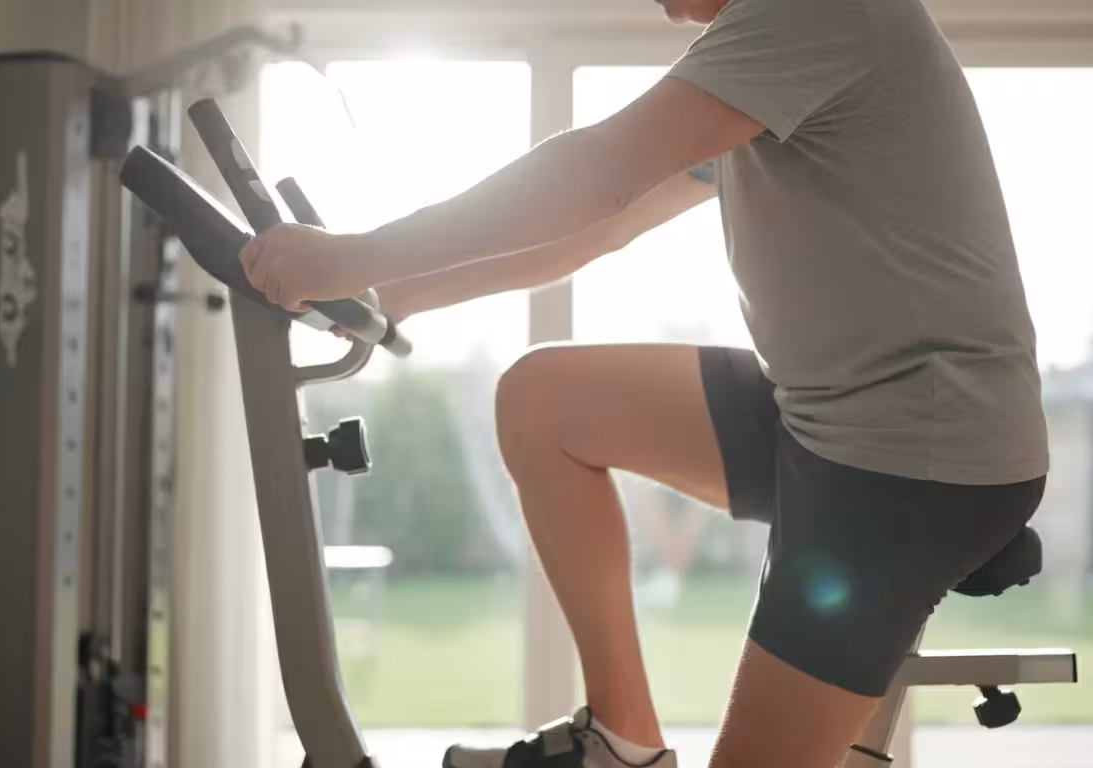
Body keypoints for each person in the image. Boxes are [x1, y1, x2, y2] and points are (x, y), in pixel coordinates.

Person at [240, 0, 1051, 765]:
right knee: (544, 400)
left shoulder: (810, 11)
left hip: (916, 455)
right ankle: (621, 742)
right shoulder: (755, 55)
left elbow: (597, 175)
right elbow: (596, 227)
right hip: (821, 414)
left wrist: (349, 255)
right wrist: (389, 293)